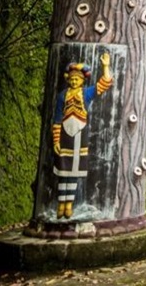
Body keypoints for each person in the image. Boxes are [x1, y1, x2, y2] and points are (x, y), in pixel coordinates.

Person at [52, 51, 113, 219]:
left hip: (80, 133)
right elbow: (57, 118)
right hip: (64, 133)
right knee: (63, 168)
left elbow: (105, 83)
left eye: (77, 79)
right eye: (71, 79)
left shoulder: (86, 93)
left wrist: (105, 67)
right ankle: (61, 203)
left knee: (74, 168)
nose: (73, 81)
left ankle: (68, 204)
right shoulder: (62, 96)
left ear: (82, 80)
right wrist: (56, 139)